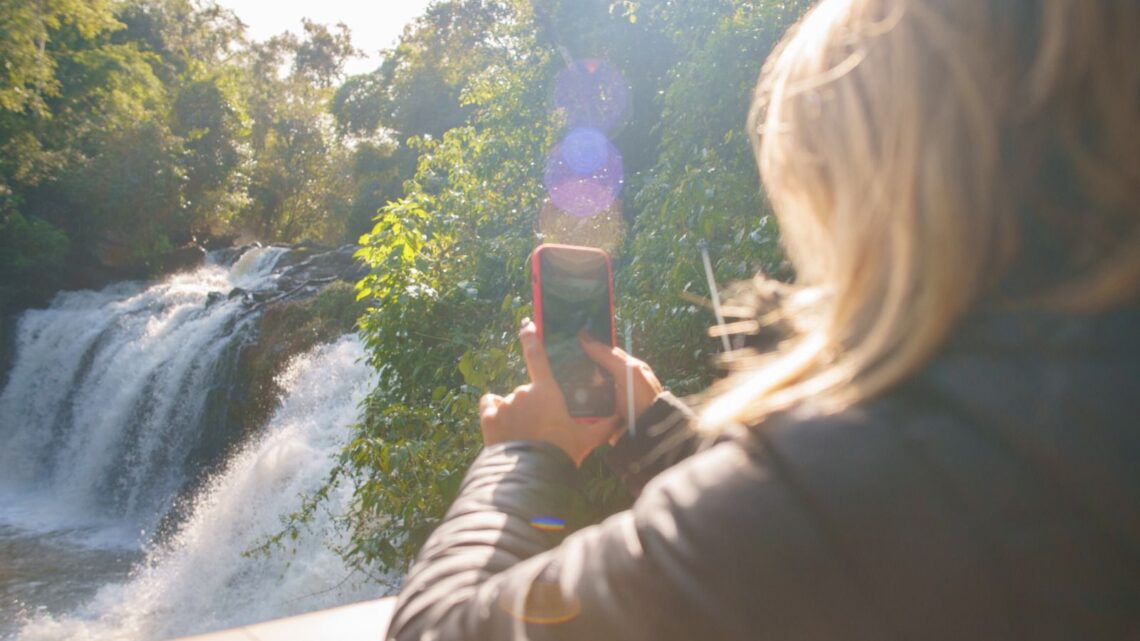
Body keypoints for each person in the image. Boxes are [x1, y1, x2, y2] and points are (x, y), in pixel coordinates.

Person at [387, 0, 1140, 639]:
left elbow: (435, 628)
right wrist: (651, 430)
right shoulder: (1081, 399)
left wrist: (521, 456)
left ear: (884, 197)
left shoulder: (850, 485)